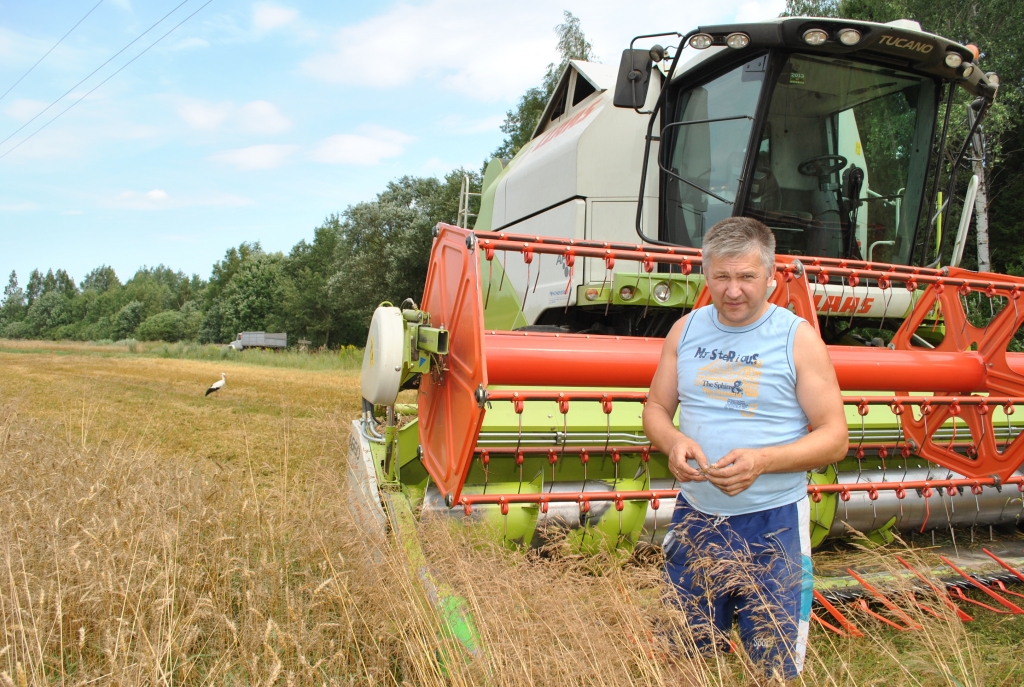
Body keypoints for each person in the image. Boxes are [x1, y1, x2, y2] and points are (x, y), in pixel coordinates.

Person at [642, 216, 847, 680]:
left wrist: (762, 461)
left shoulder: (798, 339)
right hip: (696, 518)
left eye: (747, 278)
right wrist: (673, 441)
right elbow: (655, 407)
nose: (733, 291)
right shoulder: (685, 331)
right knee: (685, 656)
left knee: (772, 666)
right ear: (707, 275)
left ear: (771, 280)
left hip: (773, 525)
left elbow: (835, 436)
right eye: (723, 277)